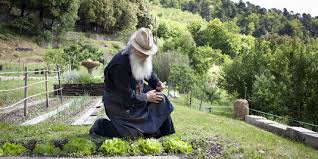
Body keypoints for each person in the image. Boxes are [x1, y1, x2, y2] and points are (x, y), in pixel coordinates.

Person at [89, 28, 175, 138]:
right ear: (134, 49)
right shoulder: (119, 66)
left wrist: (156, 82)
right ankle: (101, 126)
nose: (147, 56)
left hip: (138, 94)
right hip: (119, 104)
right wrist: (147, 97)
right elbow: (125, 96)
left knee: (160, 99)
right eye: (143, 53)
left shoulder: (141, 57)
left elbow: (147, 71)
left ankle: (160, 133)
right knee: (132, 134)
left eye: (148, 53)